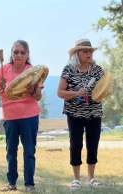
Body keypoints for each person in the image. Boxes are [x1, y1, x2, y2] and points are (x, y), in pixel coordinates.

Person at [0, 40, 44, 193]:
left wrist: (33, 89)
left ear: (27, 55)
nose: (19, 55)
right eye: (15, 52)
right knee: (11, 151)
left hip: (29, 116)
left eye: (22, 52)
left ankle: (29, 184)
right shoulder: (3, 69)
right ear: (11, 54)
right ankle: (11, 183)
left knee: (29, 151)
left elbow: (38, 97)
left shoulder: (32, 71)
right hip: (10, 117)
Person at [57, 38, 104, 190]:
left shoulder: (98, 70)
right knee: (76, 145)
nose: (89, 53)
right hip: (74, 114)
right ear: (77, 53)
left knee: (93, 145)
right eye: (85, 51)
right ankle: (76, 179)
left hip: (94, 113)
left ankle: (91, 178)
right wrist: (77, 93)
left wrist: (101, 93)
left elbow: (104, 90)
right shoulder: (68, 70)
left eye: (90, 51)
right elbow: (60, 92)